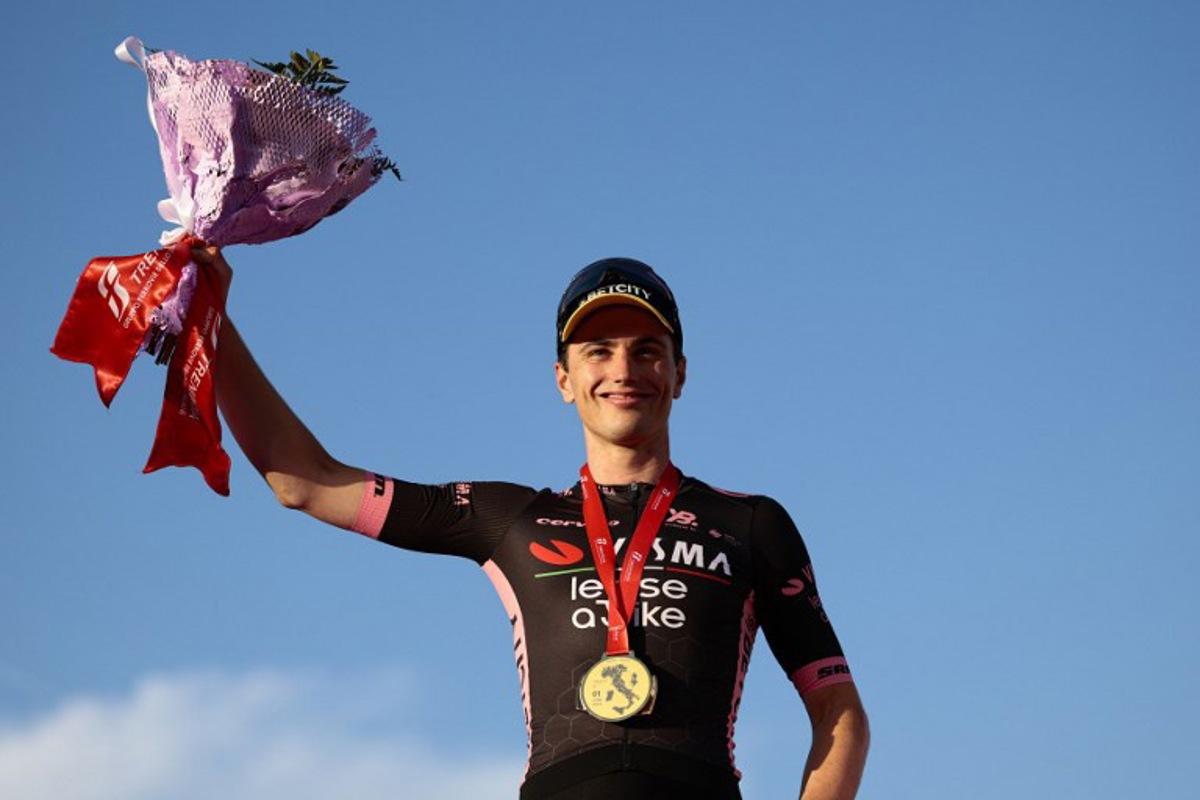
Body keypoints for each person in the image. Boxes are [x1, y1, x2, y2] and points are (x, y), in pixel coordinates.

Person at [202, 247, 870, 799]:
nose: (623, 370)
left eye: (646, 350)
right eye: (598, 351)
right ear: (563, 379)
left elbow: (839, 712)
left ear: (679, 372)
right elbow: (304, 481)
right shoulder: (510, 518)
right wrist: (213, 323)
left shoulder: (751, 524)